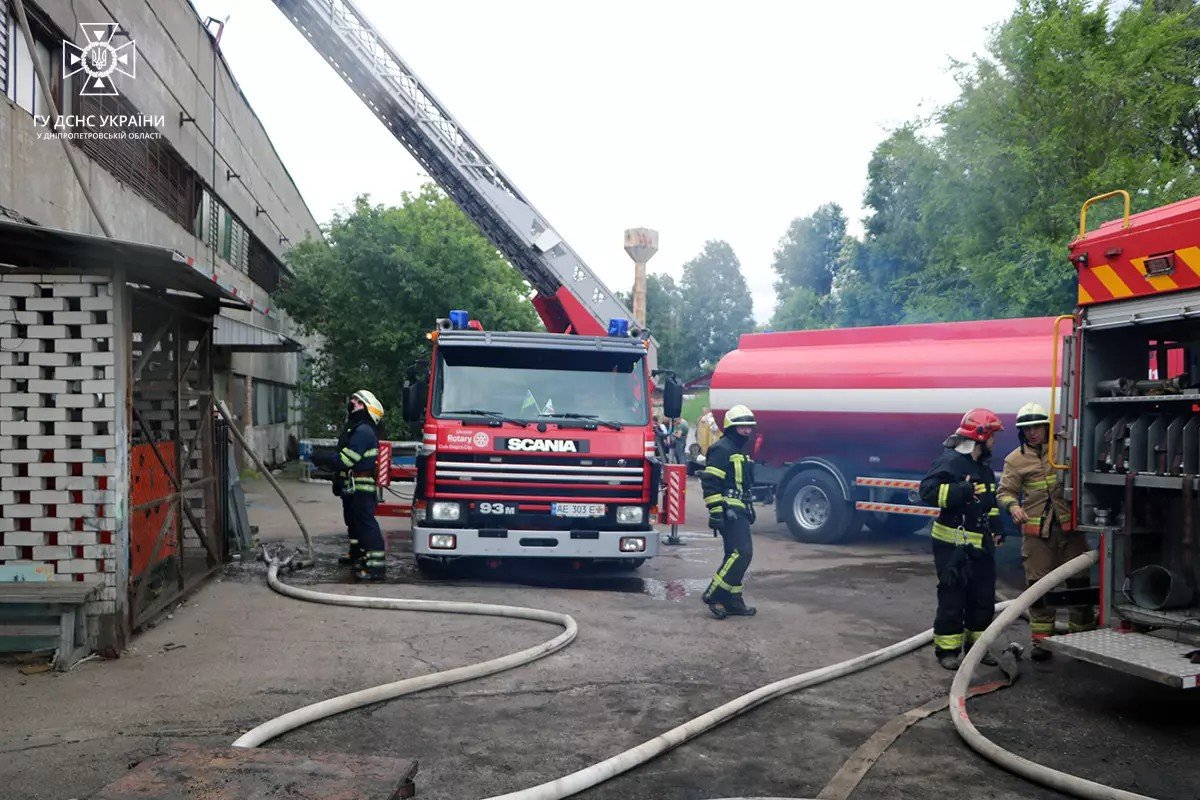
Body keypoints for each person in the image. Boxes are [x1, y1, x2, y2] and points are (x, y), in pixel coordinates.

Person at [997, 402, 1095, 661]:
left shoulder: (1063, 451)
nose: (1032, 432)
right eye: (1026, 428)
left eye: (1036, 427)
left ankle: (1083, 639)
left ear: (1047, 427)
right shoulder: (1015, 460)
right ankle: (1041, 643)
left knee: (1079, 587)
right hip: (1037, 535)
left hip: (1070, 532)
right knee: (1039, 590)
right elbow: (1005, 491)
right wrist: (1013, 507)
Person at [919, 408, 1006, 669]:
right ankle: (948, 651)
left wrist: (997, 526)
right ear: (980, 437)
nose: (994, 442)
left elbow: (988, 504)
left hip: (980, 546)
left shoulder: (984, 468)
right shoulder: (951, 462)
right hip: (952, 547)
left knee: (983, 599)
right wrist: (961, 490)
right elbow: (927, 491)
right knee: (953, 599)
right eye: (992, 437)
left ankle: (979, 650)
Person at [311, 390, 387, 581]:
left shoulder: (363, 431)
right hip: (352, 484)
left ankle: (376, 568)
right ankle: (357, 555)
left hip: (361, 485)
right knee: (353, 523)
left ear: (366, 408)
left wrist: (322, 458)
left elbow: (347, 459)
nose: (352, 402)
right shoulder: (357, 428)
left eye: (357, 401)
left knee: (365, 524)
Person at [700, 404, 759, 619]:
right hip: (728, 509)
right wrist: (716, 510)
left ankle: (733, 600)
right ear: (731, 427)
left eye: (748, 427)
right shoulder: (721, 449)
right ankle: (714, 594)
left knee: (735, 555)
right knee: (741, 553)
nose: (746, 431)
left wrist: (749, 506)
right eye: (741, 427)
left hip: (741, 508)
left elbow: (744, 483)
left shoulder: (742, 450)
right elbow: (710, 483)